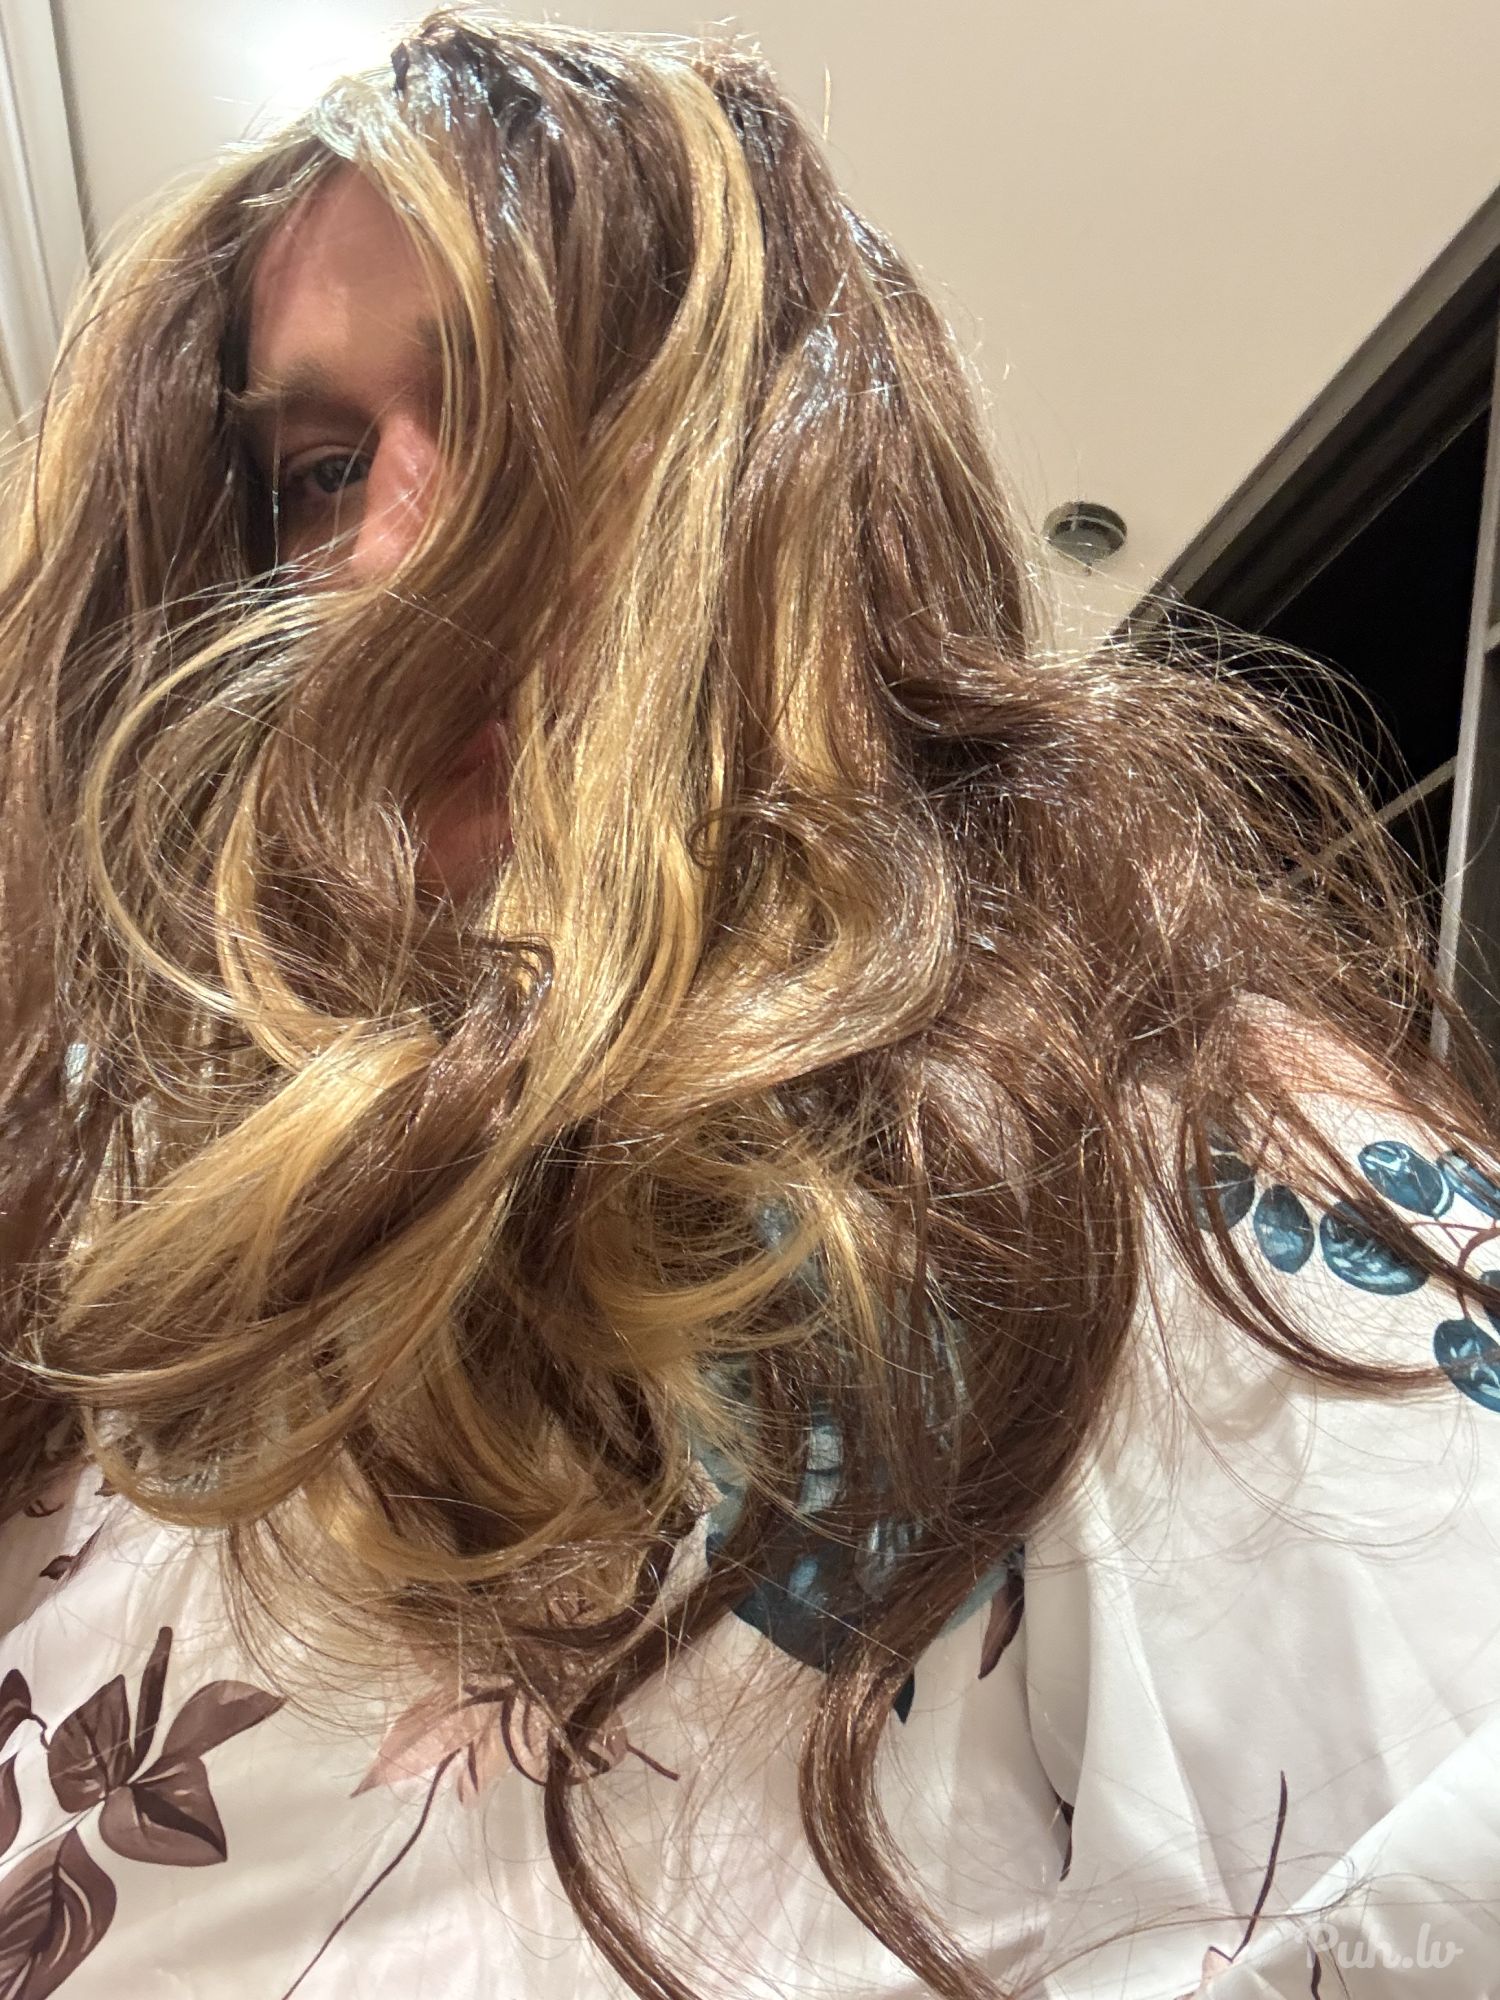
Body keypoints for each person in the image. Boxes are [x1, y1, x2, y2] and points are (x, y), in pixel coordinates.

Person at [0, 11, 1497, 1996]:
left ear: (798, 493)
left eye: (536, 414)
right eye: (318, 470)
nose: (387, 555)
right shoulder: (148, 1300)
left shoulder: (1144, 1193)